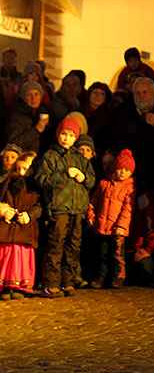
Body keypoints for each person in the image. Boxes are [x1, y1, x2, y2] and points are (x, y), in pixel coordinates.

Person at [35, 116, 96, 297]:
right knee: (56, 245)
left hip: (77, 209)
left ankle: (67, 282)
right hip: (60, 207)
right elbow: (41, 178)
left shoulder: (81, 159)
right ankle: (51, 283)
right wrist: (63, 175)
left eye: (70, 135)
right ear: (58, 134)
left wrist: (83, 178)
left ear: (75, 137)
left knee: (73, 246)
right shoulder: (50, 156)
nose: (66, 138)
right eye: (63, 134)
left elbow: (91, 179)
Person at [88, 148, 136, 289]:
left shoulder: (129, 188)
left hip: (117, 228)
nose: (122, 172)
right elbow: (94, 202)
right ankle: (101, 277)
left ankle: (118, 277)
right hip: (102, 226)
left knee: (117, 255)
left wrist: (122, 226)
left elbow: (128, 209)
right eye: (120, 168)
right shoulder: (104, 184)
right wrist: (91, 216)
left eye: (126, 170)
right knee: (102, 255)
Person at [0, 151, 42, 297]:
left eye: (25, 169)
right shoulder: (8, 183)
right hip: (8, 226)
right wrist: (4, 209)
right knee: (7, 253)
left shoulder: (35, 187)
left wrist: (29, 215)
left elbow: (40, 205)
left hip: (25, 226)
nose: (21, 173)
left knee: (22, 254)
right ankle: (6, 285)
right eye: (18, 169)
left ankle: (20, 285)